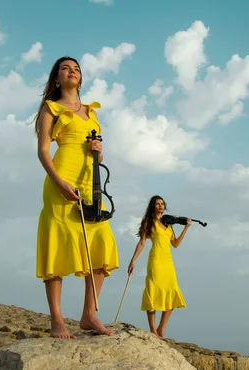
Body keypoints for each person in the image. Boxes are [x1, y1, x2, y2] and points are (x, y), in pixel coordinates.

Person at [34, 56, 119, 338]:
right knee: (56, 246)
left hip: (90, 181)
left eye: (76, 69)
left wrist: (98, 150)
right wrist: (58, 182)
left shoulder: (91, 112)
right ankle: (57, 320)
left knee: (102, 242)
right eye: (65, 68)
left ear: (80, 78)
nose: (72, 72)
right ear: (57, 78)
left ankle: (88, 314)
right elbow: (43, 150)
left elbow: (98, 154)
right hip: (62, 179)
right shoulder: (51, 108)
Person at [127, 195, 192, 338]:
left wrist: (186, 228)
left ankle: (161, 328)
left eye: (162, 204)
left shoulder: (169, 224)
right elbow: (142, 243)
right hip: (155, 260)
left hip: (168, 262)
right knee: (153, 291)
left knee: (172, 291)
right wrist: (133, 261)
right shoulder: (148, 222)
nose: (160, 206)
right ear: (153, 206)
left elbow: (175, 244)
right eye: (157, 204)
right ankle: (152, 329)